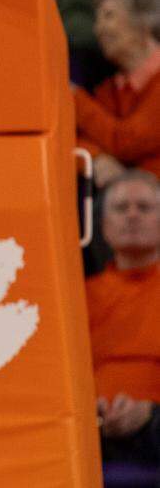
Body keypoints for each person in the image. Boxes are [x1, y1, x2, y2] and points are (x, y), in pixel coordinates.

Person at [85, 171, 160, 464]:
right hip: (91, 429)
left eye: (144, 207)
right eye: (120, 208)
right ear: (103, 226)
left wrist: (148, 412)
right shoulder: (80, 295)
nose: (132, 215)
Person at [74, 0, 160, 185]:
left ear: (143, 21)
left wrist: (74, 98)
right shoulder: (111, 89)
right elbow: (73, 139)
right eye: (97, 20)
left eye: (108, 16)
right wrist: (96, 157)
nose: (98, 29)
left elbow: (126, 142)